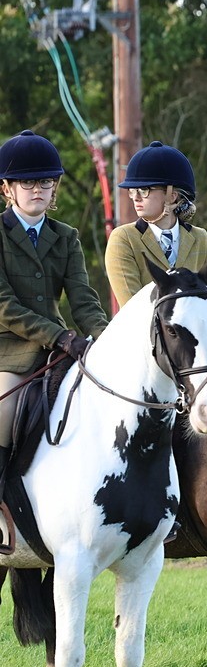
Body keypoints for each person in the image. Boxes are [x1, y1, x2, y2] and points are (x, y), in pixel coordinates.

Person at [0, 130, 109, 489]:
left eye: (45, 181)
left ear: (54, 187)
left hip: (58, 350)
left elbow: (84, 301)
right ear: (7, 189)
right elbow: (5, 306)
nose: (37, 189)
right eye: (27, 182)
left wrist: (109, 342)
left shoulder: (66, 236)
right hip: (9, 353)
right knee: (4, 413)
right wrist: (59, 336)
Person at [106, 141, 207, 307]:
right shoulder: (124, 239)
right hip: (143, 331)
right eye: (132, 191)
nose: (136, 197)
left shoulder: (200, 238)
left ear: (172, 196)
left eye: (144, 190)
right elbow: (132, 307)